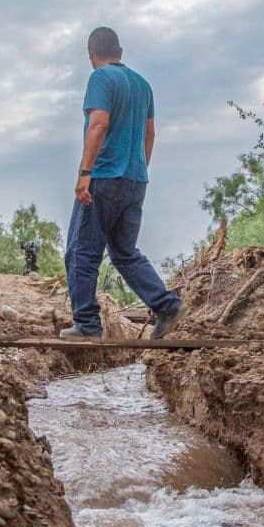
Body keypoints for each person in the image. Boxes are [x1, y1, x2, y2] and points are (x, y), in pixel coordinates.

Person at [62, 26, 184, 341]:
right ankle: (166, 305)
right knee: (124, 250)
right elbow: (150, 133)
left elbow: (99, 123)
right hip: (135, 179)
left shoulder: (100, 78)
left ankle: (87, 325)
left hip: (103, 176)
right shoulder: (143, 85)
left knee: (81, 250)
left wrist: (84, 171)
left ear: (91, 55)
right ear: (121, 51)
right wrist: (138, 168)